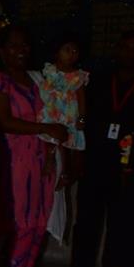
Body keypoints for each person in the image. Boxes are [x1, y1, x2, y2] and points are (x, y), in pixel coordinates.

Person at [0, 25, 67, 267]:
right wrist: (46, 128)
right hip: (15, 160)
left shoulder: (36, 81)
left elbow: (56, 112)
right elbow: (5, 121)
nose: (21, 51)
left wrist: (53, 146)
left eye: (25, 45)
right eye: (14, 45)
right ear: (2, 51)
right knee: (21, 224)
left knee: (39, 222)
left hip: (42, 159)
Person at [56, 30, 134, 267]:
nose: (129, 52)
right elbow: (83, 119)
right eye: (125, 47)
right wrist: (78, 157)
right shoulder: (99, 80)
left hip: (128, 166)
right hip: (95, 160)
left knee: (120, 224)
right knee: (86, 221)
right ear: (117, 50)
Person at [35, 34, 88, 183]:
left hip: (68, 113)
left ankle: (65, 171)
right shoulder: (49, 70)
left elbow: (82, 99)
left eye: (75, 51)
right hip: (52, 109)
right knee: (51, 134)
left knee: (65, 140)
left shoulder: (78, 76)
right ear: (56, 52)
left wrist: (82, 118)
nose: (71, 54)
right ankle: (50, 158)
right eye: (67, 50)